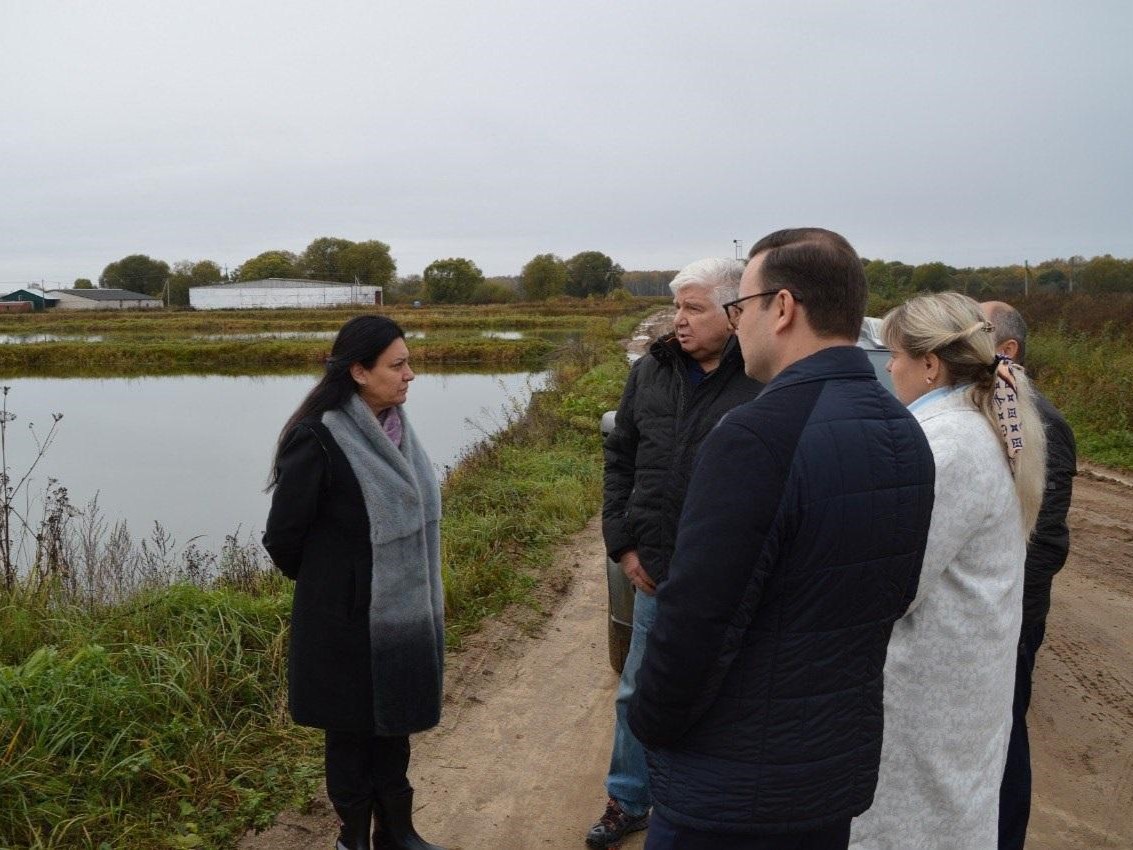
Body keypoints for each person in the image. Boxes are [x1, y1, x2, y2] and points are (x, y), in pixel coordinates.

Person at [627, 228, 936, 850]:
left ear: (784, 308)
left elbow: (696, 619)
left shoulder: (756, 435)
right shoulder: (905, 432)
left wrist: (651, 723)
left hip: (731, 785)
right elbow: (894, 596)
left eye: (740, 309)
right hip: (828, 773)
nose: (738, 325)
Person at [849, 292, 1048, 850]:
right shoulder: (975, 426)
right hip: (958, 682)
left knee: (917, 825)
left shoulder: (946, 445)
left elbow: (896, 583)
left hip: (932, 689)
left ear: (930, 363)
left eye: (896, 356)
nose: (889, 368)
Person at [590, 257, 762, 847]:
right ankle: (629, 799)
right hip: (657, 572)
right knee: (640, 688)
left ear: (736, 314)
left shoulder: (765, 379)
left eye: (694, 308)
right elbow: (622, 458)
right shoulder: (652, 373)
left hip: (734, 578)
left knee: (732, 694)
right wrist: (624, 543)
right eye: (677, 307)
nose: (679, 321)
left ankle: (722, 806)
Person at [264, 315, 447, 850]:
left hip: (403, 615)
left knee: (394, 726)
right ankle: (353, 838)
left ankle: (397, 831)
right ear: (360, 371)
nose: (410, 374)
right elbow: (283, 537)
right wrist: (337, 589)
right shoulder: (318, 437)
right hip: (343, 624)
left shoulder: (397, 431)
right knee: (350, 736)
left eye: (408, 361)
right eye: (399, 365)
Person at [980, 300, 1077, 850]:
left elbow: (1041, 539)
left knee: (1006, 734)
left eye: (976, 329)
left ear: (1007, 350)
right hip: (995, 607)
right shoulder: (987, 408)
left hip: (1011, 614)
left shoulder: (1040, 421)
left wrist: (1009, 611)